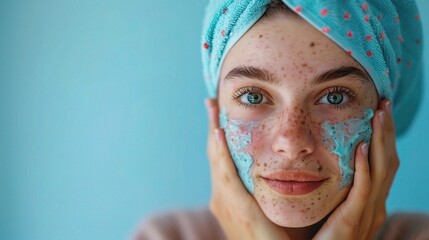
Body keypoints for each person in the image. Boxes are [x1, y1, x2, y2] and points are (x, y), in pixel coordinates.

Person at [134, 0, 429, 239]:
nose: (291, 142)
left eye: (335, 97)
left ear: (383, 116)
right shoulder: (163, 235)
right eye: (253, 97)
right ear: (217, 114)